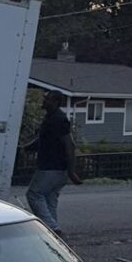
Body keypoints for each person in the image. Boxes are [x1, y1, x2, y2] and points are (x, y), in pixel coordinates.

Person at [26, 90, 81, 235]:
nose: (44, 101)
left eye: (48, 99)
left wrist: (72, 171)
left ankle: (52, 228)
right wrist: (25, 147)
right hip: (57, 168)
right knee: (49, 198)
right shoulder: (51, 118)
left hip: (52, 167)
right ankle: (52, 234)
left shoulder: (58, 119)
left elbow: (70, 145)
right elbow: (43, 140)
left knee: (34, 194)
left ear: (56, 102)